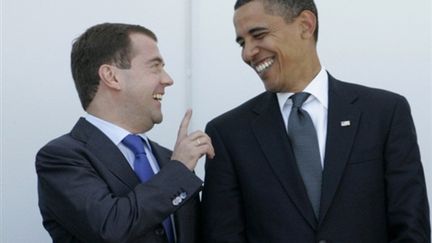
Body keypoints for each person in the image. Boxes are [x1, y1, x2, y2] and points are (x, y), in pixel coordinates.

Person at [201, 0, 430, 242]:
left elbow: (411, 228)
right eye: (242, 42)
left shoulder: (384, 114)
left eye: (258, 34)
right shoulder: (228, 134)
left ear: (306, 25)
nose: (248, 53)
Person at [36, 23, 214, 243]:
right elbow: (111, 227)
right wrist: (178, 171)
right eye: (155, 67)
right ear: (112, 76)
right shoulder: (60, 158)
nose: (168, 79)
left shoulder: (171, 160)